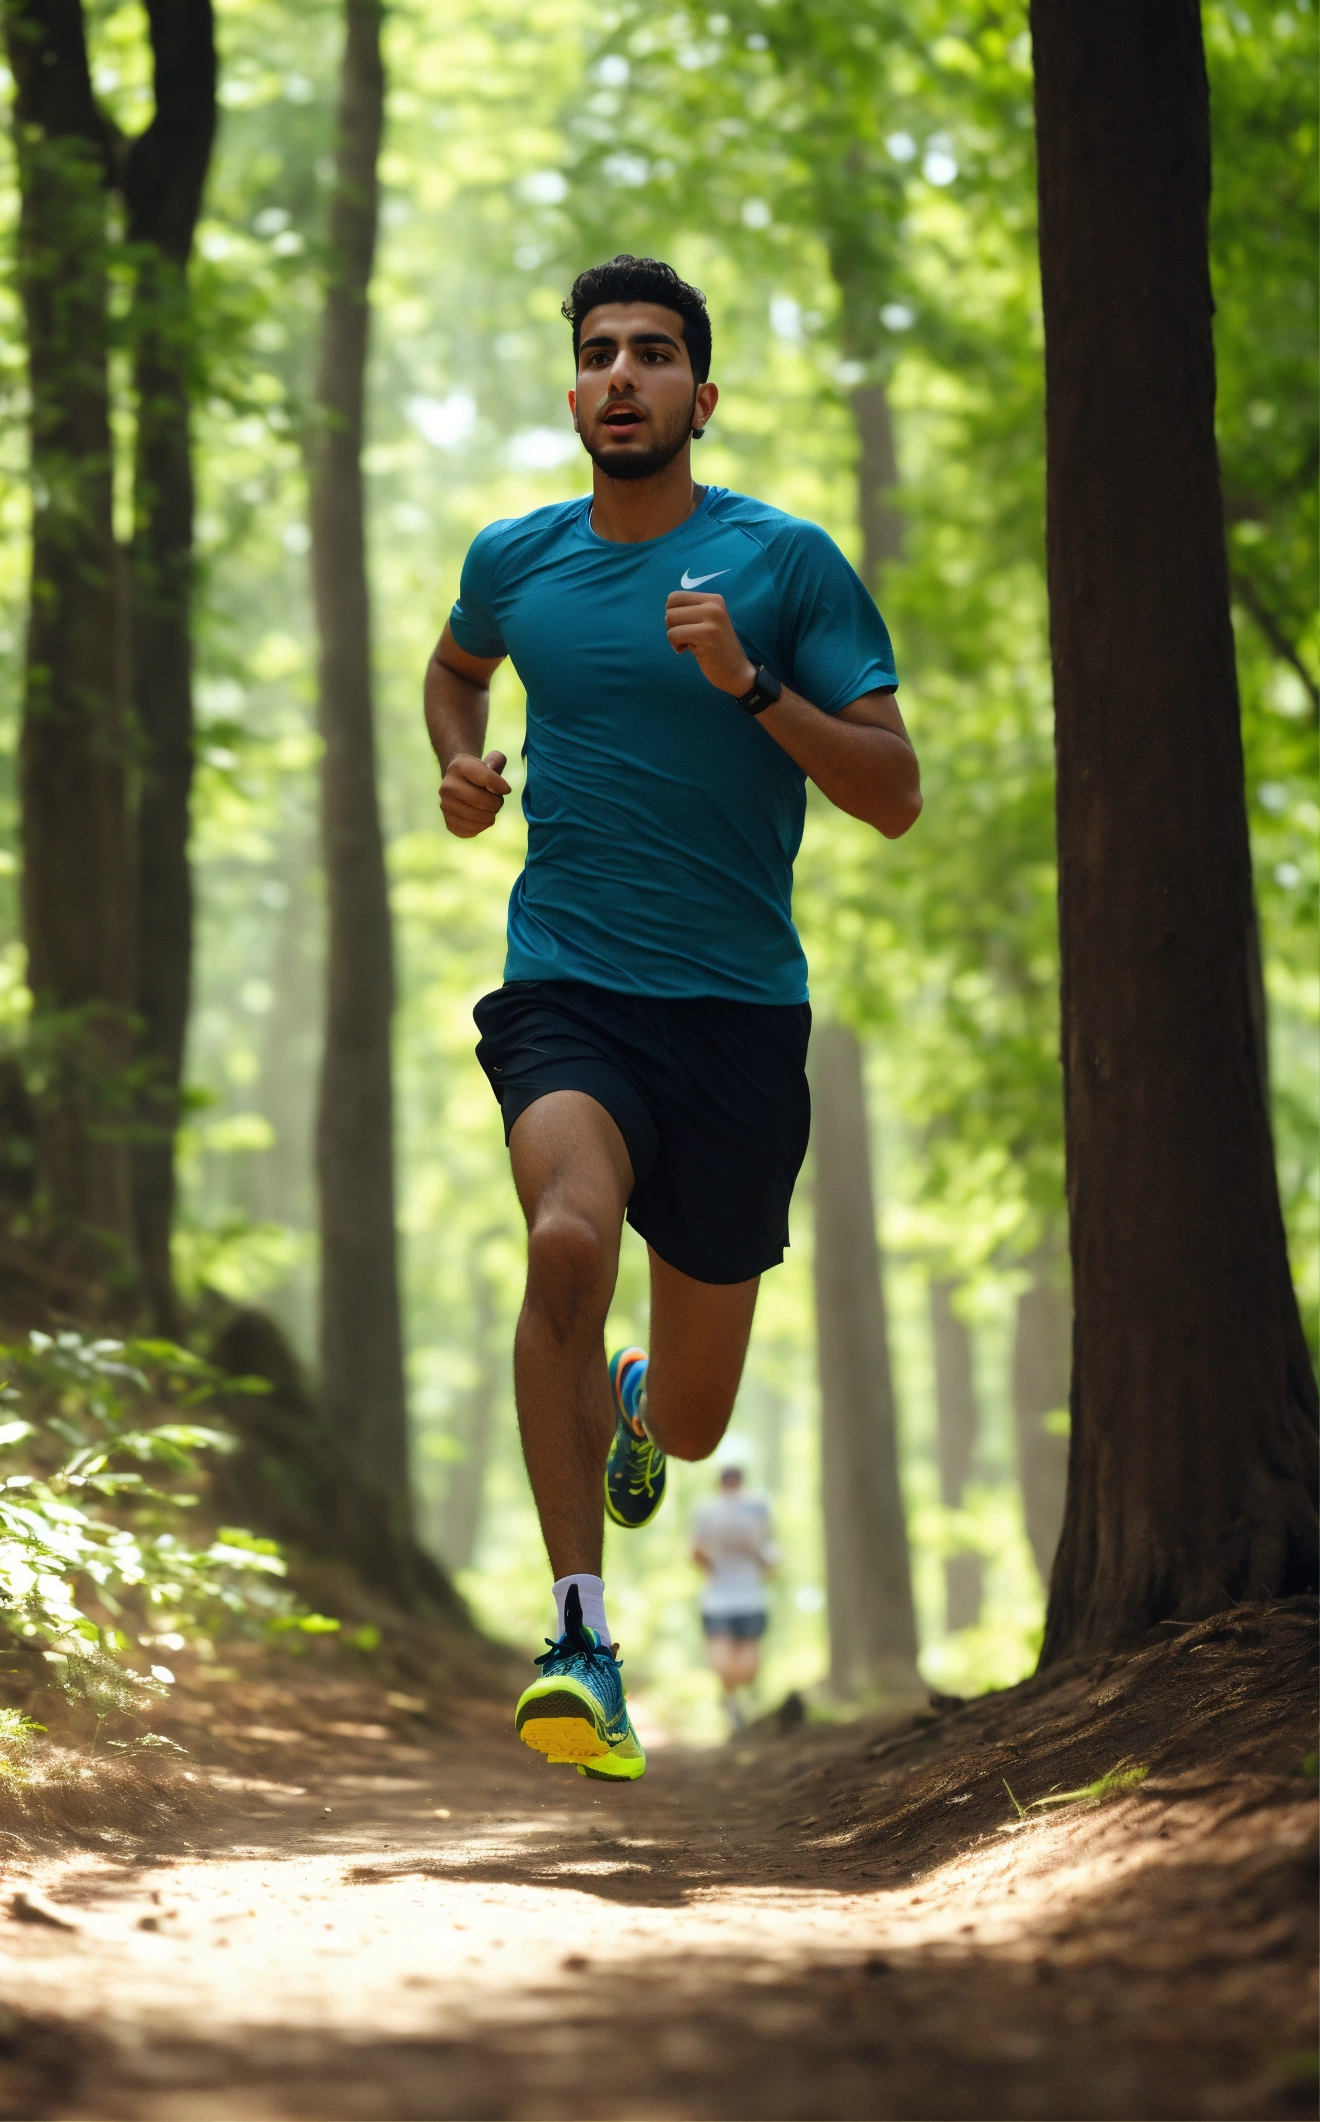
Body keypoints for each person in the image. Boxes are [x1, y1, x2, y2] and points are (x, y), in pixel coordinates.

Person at [423, 254, 920, 1782]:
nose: (621, 375)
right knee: (566, 1239)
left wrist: (752, 685)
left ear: (699, 398)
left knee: (698, 1428)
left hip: (739, 1022)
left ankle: (639, 1397)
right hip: (569, 988)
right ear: (573, 392)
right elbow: (456, 673)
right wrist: (463, 766)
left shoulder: (784, 566)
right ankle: (580, 1640)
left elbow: (893, 794)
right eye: (598, 353)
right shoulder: (517, 560)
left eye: (651, 354)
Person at [692, 1456, 779, 1734]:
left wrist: (759, 1558)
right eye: (727, 1478)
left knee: (748, 1664)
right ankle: (731, 1702)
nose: (731, 1483)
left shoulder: (758, 1507)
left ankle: (739, 1700)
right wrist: (710, 1561)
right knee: (722, 1662)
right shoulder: (705, 1510)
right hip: (718, 1597)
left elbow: (771, 1552)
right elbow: (695, 1551)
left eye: (734, 1477)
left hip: (750, 1595)